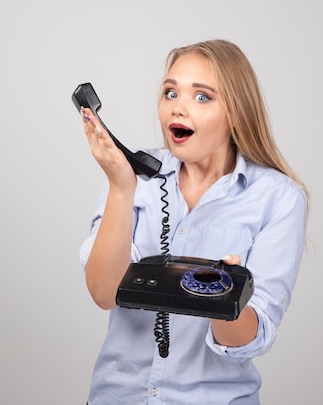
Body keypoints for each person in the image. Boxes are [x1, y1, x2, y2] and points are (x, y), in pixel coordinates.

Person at [78, 39, 308, 405]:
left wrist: (224, 296)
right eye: (170, 93)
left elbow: (251, 339)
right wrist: (121, 189)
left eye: (202, 97)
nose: (178, 108)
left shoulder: (278, 198)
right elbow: (104, 292)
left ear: (237, 111)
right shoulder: (133, 176)